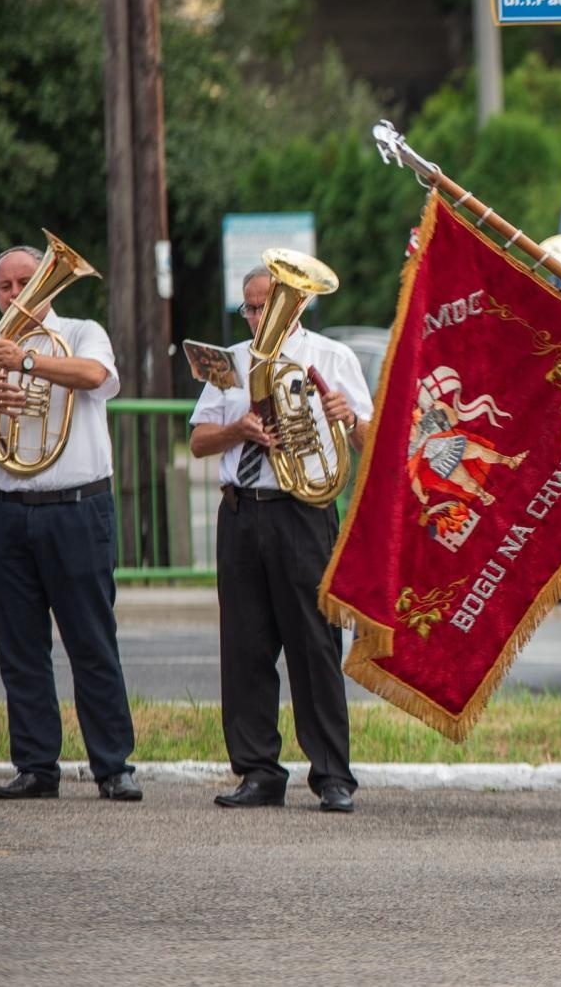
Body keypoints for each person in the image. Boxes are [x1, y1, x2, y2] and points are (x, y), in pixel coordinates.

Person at [188, 264, 372, 812]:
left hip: (304, 512)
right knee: (244, 646)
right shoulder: (230, 363)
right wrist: (237, 430)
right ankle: (258, 772)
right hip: (242, 511)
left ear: (295, 305)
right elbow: (199, 442)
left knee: (314, 646)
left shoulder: (332, 357)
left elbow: (371, 441)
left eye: (266, 304)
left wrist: (344, 417)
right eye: (248, 306)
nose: (256, 315)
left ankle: (332, 774)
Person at [0, 245, 142, 802]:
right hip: (3, 510)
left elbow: (96, 375)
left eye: (28, 280)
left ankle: (114, 766)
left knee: (91, 640)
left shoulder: (80, 328)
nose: (17, 293)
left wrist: (23, 361)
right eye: (6, 286)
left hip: (76, 507)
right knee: (19, 648)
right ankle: (35, 766)